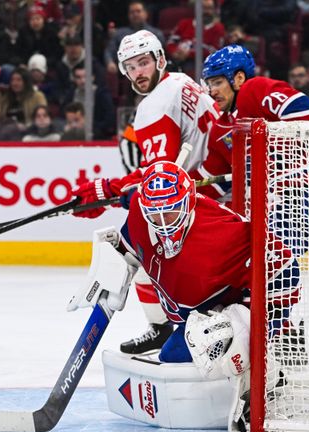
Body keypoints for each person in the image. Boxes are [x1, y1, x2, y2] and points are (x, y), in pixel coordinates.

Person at [105, 161, 299, 431]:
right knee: (170, 357)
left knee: (187, 354)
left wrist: (256, 322)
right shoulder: (140, 209)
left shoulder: (226, 233)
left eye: (171, 212)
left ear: (189, 202)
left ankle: (271, 371)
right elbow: (129, 244)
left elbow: (287, 266)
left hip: (225, 306)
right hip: (192, 312)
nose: (163, 223)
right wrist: (109, 264)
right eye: (155, 214)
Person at [70, 29, 220, 358]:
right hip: (216, 189)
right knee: (143, 258)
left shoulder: (155, 104)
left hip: (203, 202)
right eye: (130, 67)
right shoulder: (181, 82)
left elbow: (159, 175)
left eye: (143, 63)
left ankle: (183, 331)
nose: (138, 72)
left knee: (146, 253)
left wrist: (104, 189)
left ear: (160, 60)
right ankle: (166, 329)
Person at [193, 44, 309, 190]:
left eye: (218, 82)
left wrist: (277, 157)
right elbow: (212, 183)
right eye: (209, 84)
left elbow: (303, 109)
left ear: (239, 78)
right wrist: (180, 185)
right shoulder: (220, 131)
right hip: (272, 203)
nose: (212, 92)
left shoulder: (253, 90)